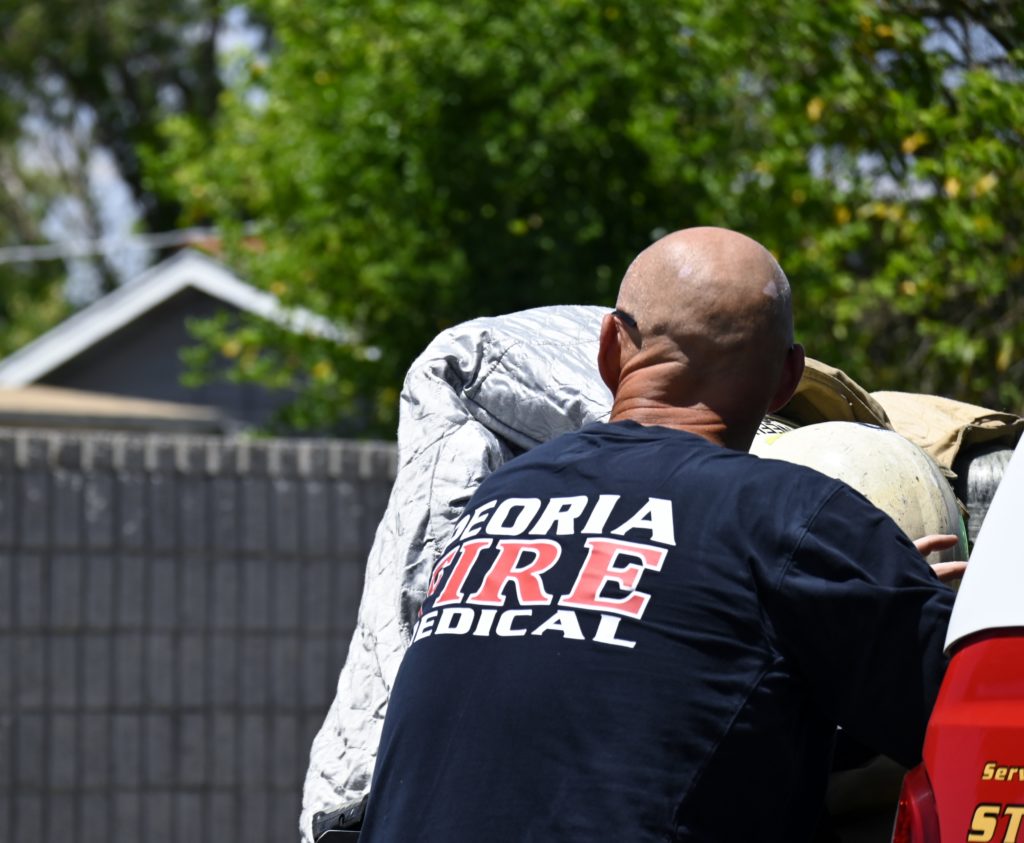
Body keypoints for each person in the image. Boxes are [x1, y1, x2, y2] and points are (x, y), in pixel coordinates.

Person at [354, 227, 959, 842]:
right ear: (787, 379)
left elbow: (639, 717)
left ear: (609, 349)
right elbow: (966, 716)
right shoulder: (792, 516)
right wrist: (878, 596)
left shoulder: (499, 496)